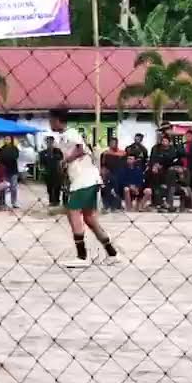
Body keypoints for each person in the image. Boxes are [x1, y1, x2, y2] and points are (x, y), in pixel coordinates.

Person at [49, 109, 118, 268]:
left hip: (84, 180)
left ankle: (82, 256)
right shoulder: (63, 137)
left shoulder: (70, 133)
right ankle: (112, 253)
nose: (50, 123)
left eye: (51, 120)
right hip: (84, 179)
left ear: (58, 120)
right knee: (89, 219)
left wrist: (66, 160)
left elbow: (80, 149)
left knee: (73, 212)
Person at [39, 136, 64, 207]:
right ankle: (51, 201)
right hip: (48, 172)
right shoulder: (43, 153)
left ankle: (57, 201)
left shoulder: (58, 151)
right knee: (49, 187)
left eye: (51, 142)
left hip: (57, 171)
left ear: (53, 142)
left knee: (57, 187)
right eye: (48, 142)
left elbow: (61, 158)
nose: (50, 143)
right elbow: (42, 163)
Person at [0, 136, 20, 208]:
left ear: (11, 140)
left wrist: (6, 158)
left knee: (14, 187)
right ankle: (2, 202)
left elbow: (15, 157)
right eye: (6, 139)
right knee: (3, 187)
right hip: (4, 171)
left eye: (8, 139)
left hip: (13, 171)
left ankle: (14, 202)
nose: (7, 140)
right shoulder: (1, 149)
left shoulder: (15, 148)